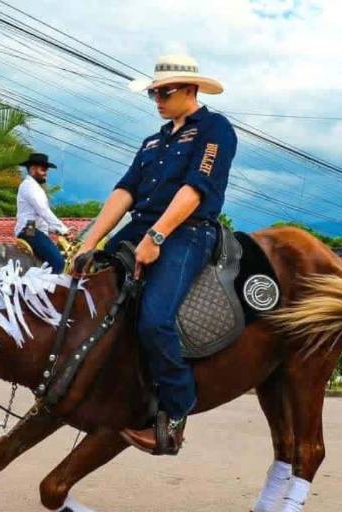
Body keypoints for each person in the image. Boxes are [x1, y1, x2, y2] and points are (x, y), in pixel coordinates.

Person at [74, 53, 237, 455]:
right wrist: (90, 241)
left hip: (188, 232)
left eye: (165, 93)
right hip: (139, 227)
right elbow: (125, 191)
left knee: (155, 320)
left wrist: (157, 236)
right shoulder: (153, 141)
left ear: (191, 89)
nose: (158, 100)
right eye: (154, 94)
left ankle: (176, 411)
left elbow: (196, 188)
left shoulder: (214, 129)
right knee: (85, 295)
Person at [15, 152, 70, 272]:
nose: (46, 173)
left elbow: (39, 218)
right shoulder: (30, 186)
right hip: (29, 229)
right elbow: (43, 211)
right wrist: (63, 230)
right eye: (43, 170)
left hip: (32, 228)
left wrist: (55, 230)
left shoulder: (33, 187)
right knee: (58, 262)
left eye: (46, 170)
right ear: (32, 169)